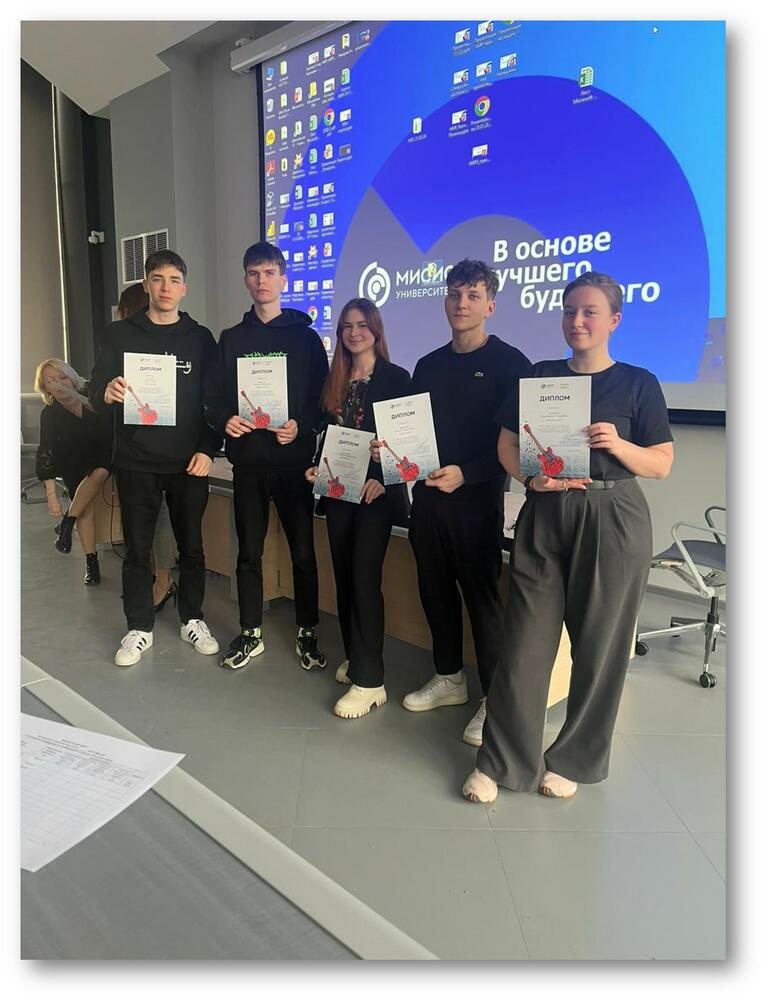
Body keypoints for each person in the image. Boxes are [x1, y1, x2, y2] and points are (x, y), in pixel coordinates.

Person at [463, 271, 674, 805]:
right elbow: (507, 445)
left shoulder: (639, 383)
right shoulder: (540, 376)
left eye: (590, 312)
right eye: (569, 311)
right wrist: (530, 478)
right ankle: (501, 761)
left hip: (613, 516)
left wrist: (618, 444)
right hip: (546, 512)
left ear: (614, 320)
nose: (577, 321)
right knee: (523, 646)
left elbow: (661, 463)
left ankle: (573, 758)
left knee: (600, 647)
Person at [395, 259, 531, 745]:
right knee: (434, 591)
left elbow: (518, 446)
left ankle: (493, 698)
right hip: (428, 500)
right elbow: (410, 433)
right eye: (454, 294)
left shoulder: (511, 364)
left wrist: (467, 474)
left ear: (490, 305)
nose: (461, 303)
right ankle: (449, 677)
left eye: (473, 295)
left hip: (477, 503)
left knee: (481, 600)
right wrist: (392, 451)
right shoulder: (428, 365)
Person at [89, 250, 222, 667]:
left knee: (193, 547)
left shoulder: (200, 339)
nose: (166, 288)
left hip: (188, 463)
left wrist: (207, 449)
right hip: (136, 461)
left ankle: (193, 619)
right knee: (137, 549)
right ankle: (139, 627)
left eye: (174, 280)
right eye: (158, 279)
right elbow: (95, 389)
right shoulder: (119, 334)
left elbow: (215, 403)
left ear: (185, 288)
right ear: (146, 284)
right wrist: (106, 393)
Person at [207, 242, 329, 672]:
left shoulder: (306, 339)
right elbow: (214, 398)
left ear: (283, 279)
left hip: (294, 464)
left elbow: (321, 401)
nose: (262, 280)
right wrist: (225, 419)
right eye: (254, 273)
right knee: (248, 553)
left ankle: (307, 630)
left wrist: (302, 426)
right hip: (249, 465)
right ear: (246, 280)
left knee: (303, 554)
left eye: (270, 272)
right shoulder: (232, 339)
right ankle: (250, 632)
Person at [305, 298, 411, 718]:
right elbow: (325, 435)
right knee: (345, 576)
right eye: (347, 326)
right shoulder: (334, 379)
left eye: (362, 325)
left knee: (365, 579)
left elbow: (408, 443)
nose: (354, 332)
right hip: (338, 491)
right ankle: (356, 656)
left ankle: (371, 681)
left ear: (376, 330)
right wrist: (317, 467)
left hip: (375, 495)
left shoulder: (397, 378)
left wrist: (383, 477)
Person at [116, 283, 178, 612]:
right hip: (134, 449)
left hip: (166, 449)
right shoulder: (121, 342)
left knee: (161, 517)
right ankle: (150, 579)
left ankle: (164, 580)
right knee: (140, 525)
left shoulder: (173, 342)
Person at [34, 359, 112, 585]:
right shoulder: (50, 414)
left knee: (100, 471)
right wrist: (52, 497)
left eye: (63, 378)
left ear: (72, 378)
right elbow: (46, 453)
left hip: (106, 454)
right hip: (74, 462)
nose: (59, 384)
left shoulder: (93, 396)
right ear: (45, 388)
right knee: (83, 507)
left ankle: (67, 522)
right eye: (51, 381)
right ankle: (91, 563)